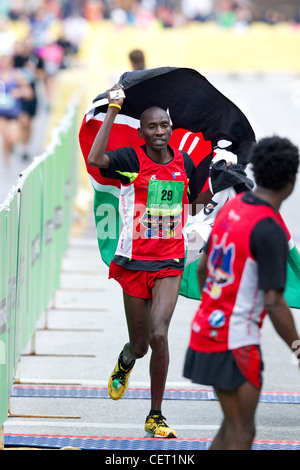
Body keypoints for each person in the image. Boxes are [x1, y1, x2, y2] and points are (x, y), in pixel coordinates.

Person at [88, 83, 206, 438]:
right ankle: (125, 359)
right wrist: (112, 109)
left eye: (164, 126)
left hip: (170, 261)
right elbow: (95, 160)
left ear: (171, 128)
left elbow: (192, 207)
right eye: (152, 127)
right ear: (142, 132)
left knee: (159, 334)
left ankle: (155, 414)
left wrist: (220, 186)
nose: (159, 132)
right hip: (135, 261)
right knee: (140, 346)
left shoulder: (183, 161)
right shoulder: (129, 159)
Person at [183, 135, 300, 450]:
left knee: (230, 426)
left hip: (206, 330)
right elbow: (274, 302)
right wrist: (298, 349)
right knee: (242, 433)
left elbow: (202, 269)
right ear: (291, 180)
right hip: (235, 343)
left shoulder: (232, 208)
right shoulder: (269, 227)